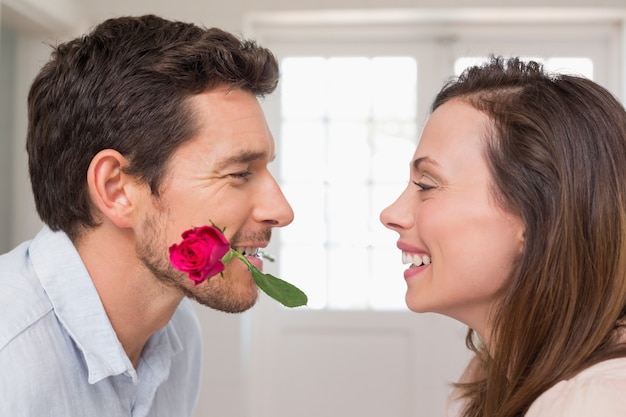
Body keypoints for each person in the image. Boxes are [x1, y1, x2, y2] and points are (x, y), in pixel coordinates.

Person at [0, 14, 294, 416]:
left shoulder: (177, 334)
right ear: (116, 190)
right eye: (240, 173)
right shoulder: (9, 362)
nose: (282, 211)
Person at [380, 55, 626, 417]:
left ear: (542, 215)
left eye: (427, 184)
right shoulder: (491, 379)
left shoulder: (594, 401)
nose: (391, 214)